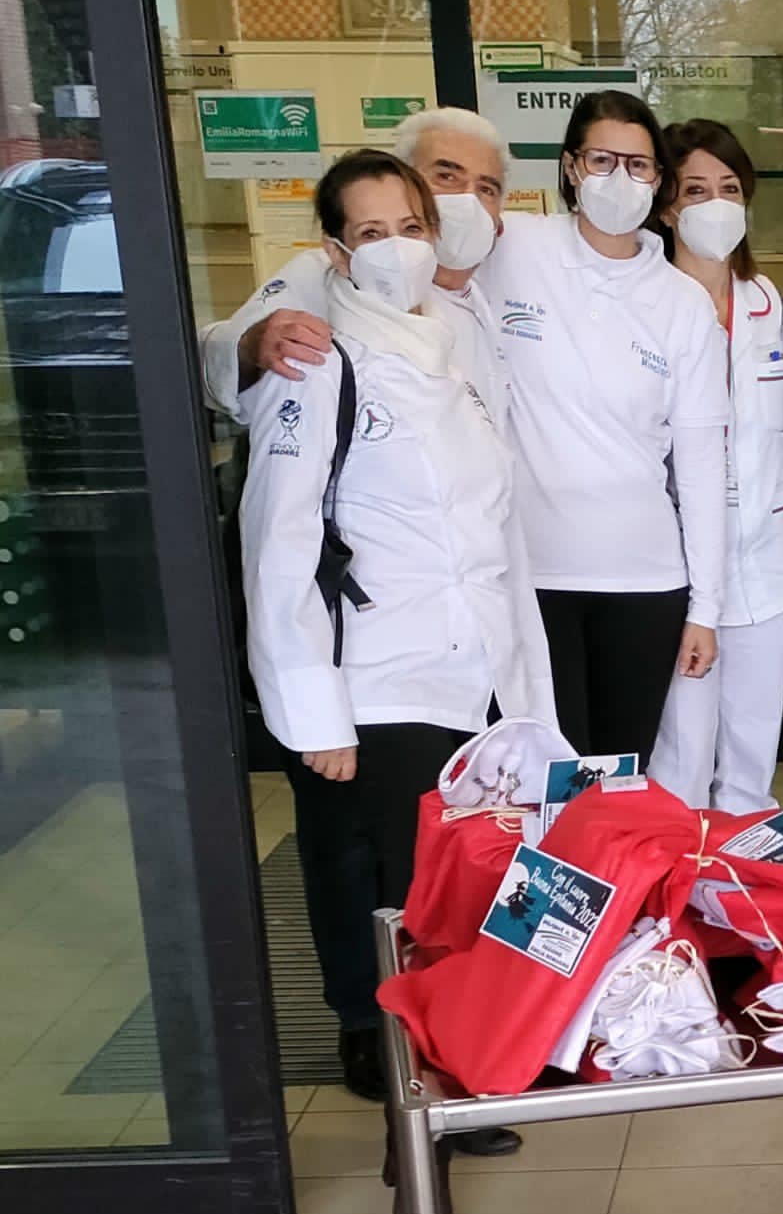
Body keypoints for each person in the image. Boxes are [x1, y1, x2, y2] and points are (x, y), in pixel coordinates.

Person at [239, 149, 553, 1139]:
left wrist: (526, 693)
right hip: (377, 674)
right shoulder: (314, 362)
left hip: (476, 669)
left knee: (468, 881)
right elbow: (277, 545)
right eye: (371, 233)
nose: (397, 248)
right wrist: (313, 714)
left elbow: (495, 534)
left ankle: (458, 1061)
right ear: (334, 251)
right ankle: (405, 1083)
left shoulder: (454, 348)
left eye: (411, 227)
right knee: (389, 890)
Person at [480, 90, 729, 762]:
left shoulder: (681, 302)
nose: (620, 179)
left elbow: (702, 464)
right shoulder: (512, 249)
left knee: (617, 778)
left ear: (658, 180)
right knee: (542, 774)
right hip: (531, 575)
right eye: (602, 160)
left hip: (644, 580)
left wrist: (705, 607)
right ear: (570, 167)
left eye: (638, 165)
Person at [648, 119, 783, 812]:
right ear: (665, 207)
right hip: (678, 561)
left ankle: (742, 870)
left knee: (752, 750)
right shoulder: (646, 303)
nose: (715, 204)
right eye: (695, 190)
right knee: (680, 753)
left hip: (765, 555)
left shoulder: (767, 301)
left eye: (729, 189)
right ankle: (673, 869)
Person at [200, 105, 510, 429]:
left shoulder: (490, 284)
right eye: (446, 176)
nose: (467, 199)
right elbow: (211, 363)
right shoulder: (327, 274)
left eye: (486, 189)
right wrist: (249, 349)